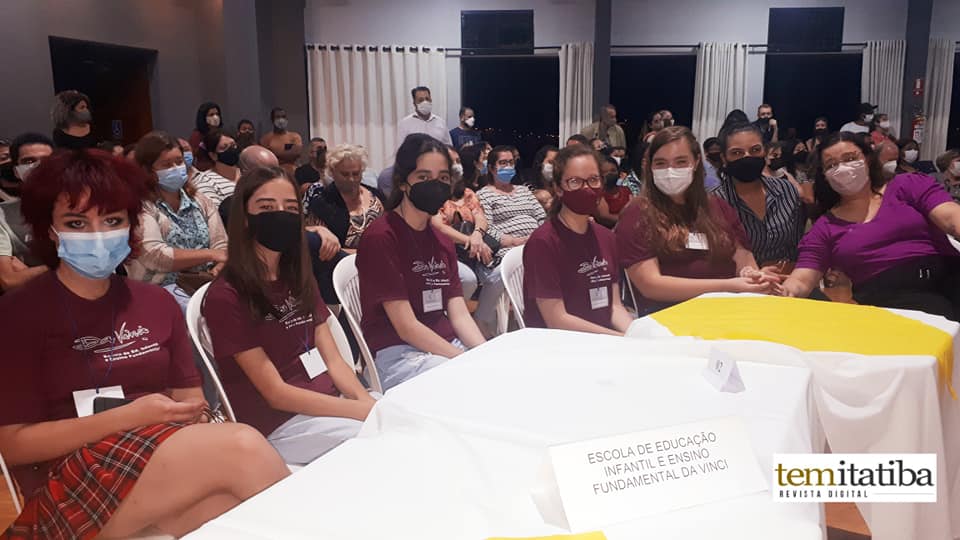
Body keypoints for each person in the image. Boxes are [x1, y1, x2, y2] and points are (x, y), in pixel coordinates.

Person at [0, 149, 289, 539]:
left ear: (131, 225)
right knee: (244, 448)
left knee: (230, 508)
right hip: (68, 477)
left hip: (155, 455)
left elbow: (190, 402)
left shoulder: (155, 302)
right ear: (50, 230)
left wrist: (180, 417)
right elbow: (12, 445)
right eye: (76, 223)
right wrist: (130, 417)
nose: (98, 235)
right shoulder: (19, 313)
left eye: (112, 220)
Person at [202, 166, 376, 464]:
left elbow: (334, 361)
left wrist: (366, 403)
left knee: (399, 417)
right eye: (267, 207)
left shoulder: (297, 277)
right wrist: (360, 411)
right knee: (377, 438)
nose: (280, 215)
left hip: (329, 405)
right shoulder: (226, 296)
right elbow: (276, 393)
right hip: (280, 425)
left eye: (291, 208)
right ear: (245, 218)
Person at [780, 132, 960, 320]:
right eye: (831, 165)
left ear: (868, 159)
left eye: (850, 158)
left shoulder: (907, 185)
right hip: (886, 303)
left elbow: (951, 217)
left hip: (944, 280)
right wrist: (782, 291)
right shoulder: (825, 227)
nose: (843, 168)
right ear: (824, 175)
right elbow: (802, 279)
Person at [356, 136, 485, 390]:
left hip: (444, 345)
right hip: (397, 352)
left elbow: (459, 314)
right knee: (469, 385)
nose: (435, 185)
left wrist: (483, 353)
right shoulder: (382, 237)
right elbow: (406, 327)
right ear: (403, 182)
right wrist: (463, 361)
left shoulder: (441, 238)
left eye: (443, 178)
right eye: (424, 177)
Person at [617, 126, 776, 315]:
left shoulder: (718, 206)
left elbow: (744, 260)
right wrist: (728, 286)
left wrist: (752, 276)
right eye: (660, 163)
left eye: (681, 162)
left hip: (729, 311)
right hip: (670, 316)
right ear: (650, 166)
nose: (670, 170)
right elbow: (650, 285)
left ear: (696, 162)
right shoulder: (638, 212)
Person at [524, 145, 632, 334]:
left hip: (605, 338)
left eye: (593, 180)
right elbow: (557, 320)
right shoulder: (543, 242)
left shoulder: (607, 238)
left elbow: (614, 306)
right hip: (560, 343)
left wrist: (634, 334)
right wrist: (619, 338)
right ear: (558, 188)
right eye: (575, 182)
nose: (587, 188)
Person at [126, 131, 228, 311]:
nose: (175, 168)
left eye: (179, 162)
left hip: (203, 283)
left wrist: (219, 265)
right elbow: (155, 256)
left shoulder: (200, 200)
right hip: (159, 289)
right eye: (166, 165)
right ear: (148, 170)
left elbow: (221, 245)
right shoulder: (141, 205)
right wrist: (210, 254)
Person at [710, 123, 806, 269]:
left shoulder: (786, 190)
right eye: (737, 152)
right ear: (724, 158)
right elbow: (713, 258)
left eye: (755, 150)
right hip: (737, 280)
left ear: (764, 152)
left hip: (784, 278)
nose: (747, 157)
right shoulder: (714, 201)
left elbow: (796, 245)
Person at [476, 146, 547, 334]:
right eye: (503, 163)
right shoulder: (484, 194)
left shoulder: (524, 191)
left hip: (535, 244)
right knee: (502, 272)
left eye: (511, 162)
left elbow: (542, 217)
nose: (508, 166)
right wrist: (514, 241)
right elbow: (487, 226)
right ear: (492, 168)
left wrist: (538, 238)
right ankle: (483, 319)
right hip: (508, 248)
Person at [303, 144, 385, 251]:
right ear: (332, 172)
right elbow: (320, 247)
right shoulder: (322, 204)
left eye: (356, 174)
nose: (351, 179)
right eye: (345, 174)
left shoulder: (376, 196)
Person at [0, 133, 54, 291]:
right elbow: (9, 280)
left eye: (47, 160)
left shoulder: (83, 205)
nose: (38, 167)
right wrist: (67, 266)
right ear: (16, 171)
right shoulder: (2, 214)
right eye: (28, 161)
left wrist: (28, 272)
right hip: (34, 301)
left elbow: (98, 267)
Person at [193, 129, 240, 207]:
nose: (231, 150)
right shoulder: (205, 181)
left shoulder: (247, 174)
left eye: (233, 145)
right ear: (213, 155)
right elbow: (215, 212)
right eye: (224, 147)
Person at [260, 107, 303, 176]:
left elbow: (295, 153)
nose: (281, 120)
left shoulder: (294, 136)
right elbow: (265, 159)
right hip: (273, 174)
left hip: (293, 173)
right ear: (272, 120)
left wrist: (273, 153)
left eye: (283, 117)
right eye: (277, 117)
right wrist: (286, 152)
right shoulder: (265, 139)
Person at [595, 155, 631, 227]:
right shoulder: (597, 194)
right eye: (605, 172)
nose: (610, 174)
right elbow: (605, 217)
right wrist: (628, 220)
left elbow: (633, 210)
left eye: (613, 170)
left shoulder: (626, 190)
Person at [190, 102, 224, 171]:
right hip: (205, 169)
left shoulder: (222, 133)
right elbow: (193, 155)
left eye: (217, 114)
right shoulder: (197, 135)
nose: (215, 117)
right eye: (211, 115)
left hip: (222, 167)